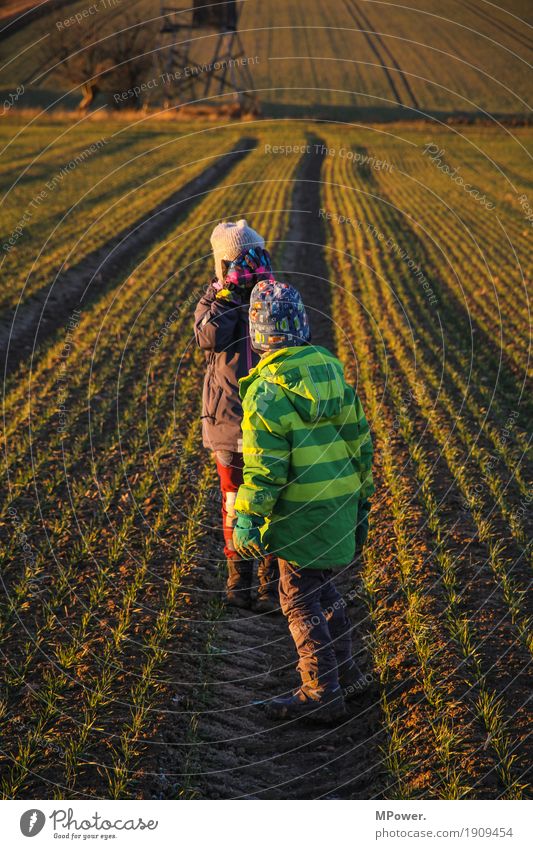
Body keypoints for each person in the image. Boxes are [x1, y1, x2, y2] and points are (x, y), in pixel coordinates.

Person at [232, 280, 374, 721]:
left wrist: (249, 518)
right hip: (339, 505)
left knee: (296, 597)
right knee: (325, 588)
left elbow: (265, 469)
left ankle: (320, 690)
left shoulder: (266, 392)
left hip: (299, 514)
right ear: (303, 326)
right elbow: (360, 444)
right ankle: (347, 673)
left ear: (256, 336)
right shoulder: (332, 374)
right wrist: (362, 503)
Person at [194, 219, 280, 612]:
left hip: (269, 421)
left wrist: (263, 291)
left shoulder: (272, 297)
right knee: (233, 502)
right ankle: (238, 579)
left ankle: (269, 580)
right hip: (228, 422)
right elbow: (208, 337)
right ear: (223, 266)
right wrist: (228, 293)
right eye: (236, 263)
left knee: (270, 499)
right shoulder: (213, 301)